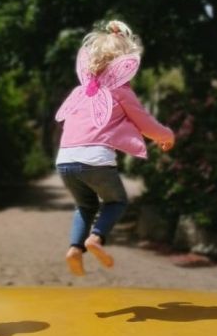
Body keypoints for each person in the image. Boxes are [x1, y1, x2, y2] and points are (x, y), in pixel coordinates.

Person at [54, 19, 175, 275]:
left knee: (85, 206)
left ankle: (75, 248)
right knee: (116, 201)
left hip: (65, 160)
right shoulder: (121, 91)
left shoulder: (82, 91)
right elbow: (145, 123)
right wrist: (166, 135)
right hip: (95, 159)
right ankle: (95, 238)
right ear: (126, 65)